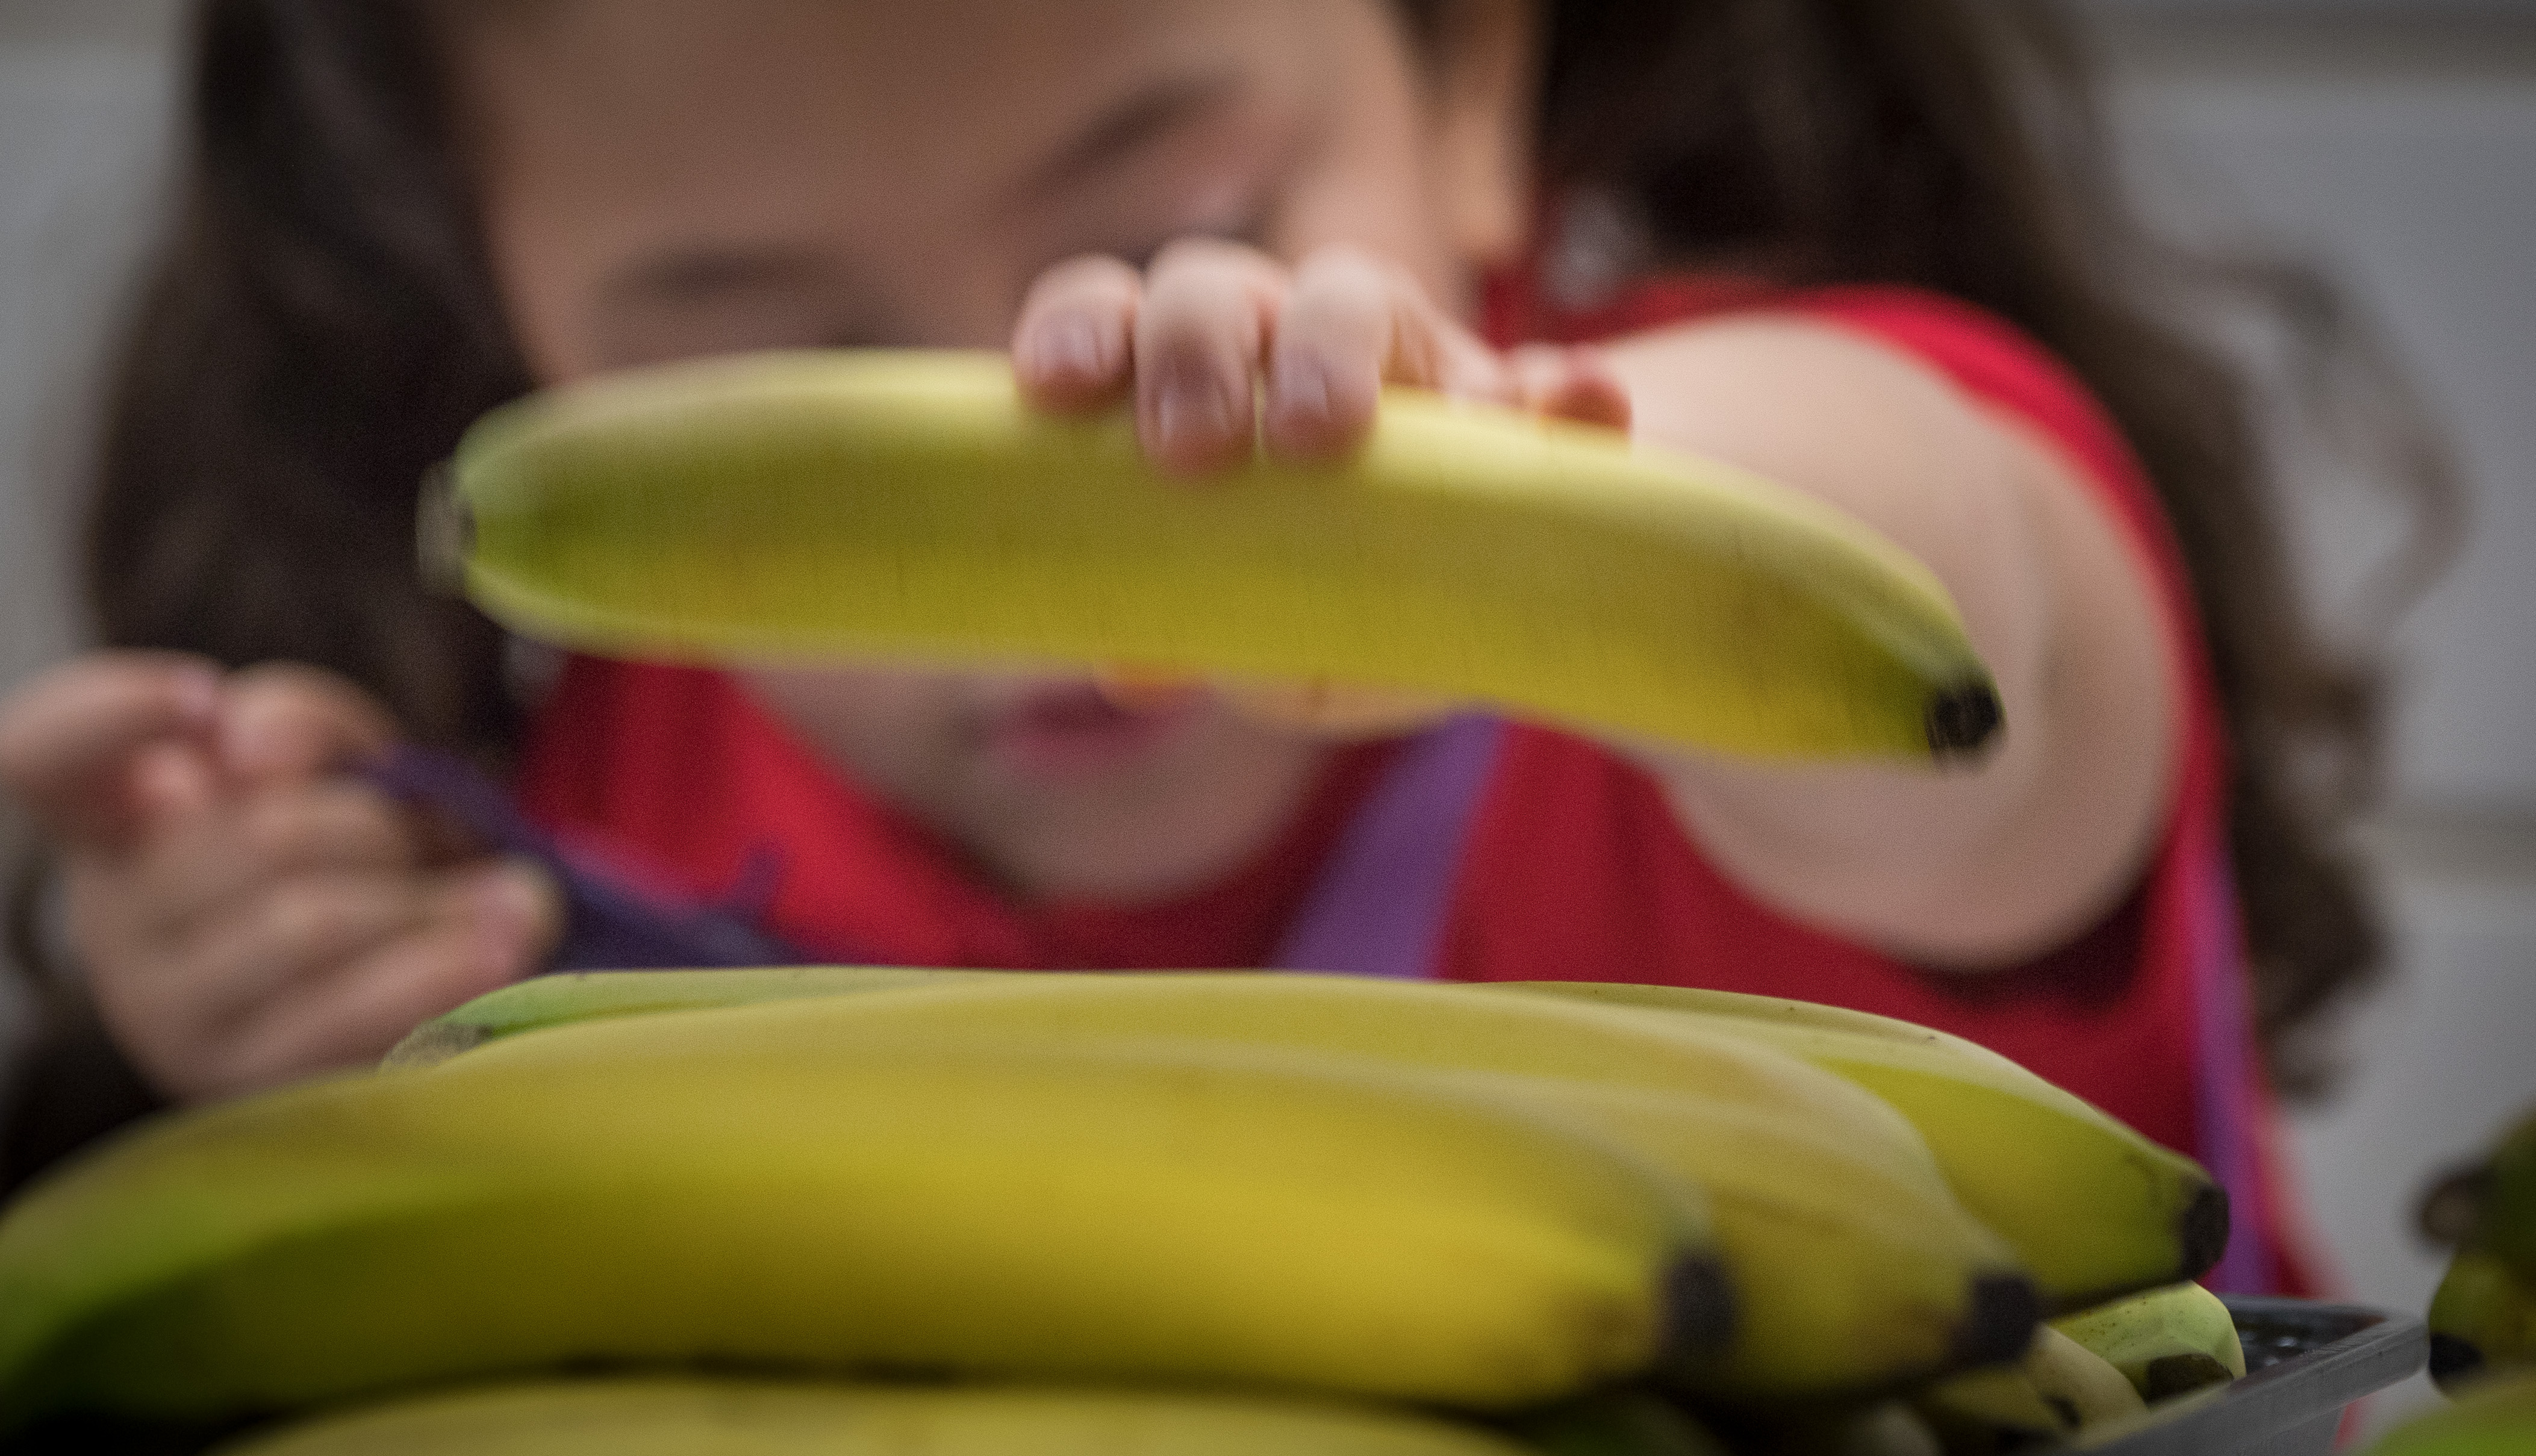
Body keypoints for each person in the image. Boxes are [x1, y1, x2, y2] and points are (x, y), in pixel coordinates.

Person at [0, 0, 2440, 1293]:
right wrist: (255, 960)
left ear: (1478, 71)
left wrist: (1510, 483)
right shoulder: (597, 799)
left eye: (1180, 213)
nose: (1026, 427)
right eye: (756, 339)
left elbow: (1976, 634)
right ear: (496, 296)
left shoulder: (1796, 475)